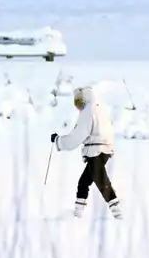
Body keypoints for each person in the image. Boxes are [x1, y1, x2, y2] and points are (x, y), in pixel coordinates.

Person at [51, 85, 122, 219]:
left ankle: (118, 216)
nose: (77, 105)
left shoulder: (88, 112)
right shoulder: (100, 109)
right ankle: (77, 214)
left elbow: (77, 137)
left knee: (103, 183)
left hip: (95, 151)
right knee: (84, 182)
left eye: (77, 102)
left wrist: (58, 141)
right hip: (104, 150)